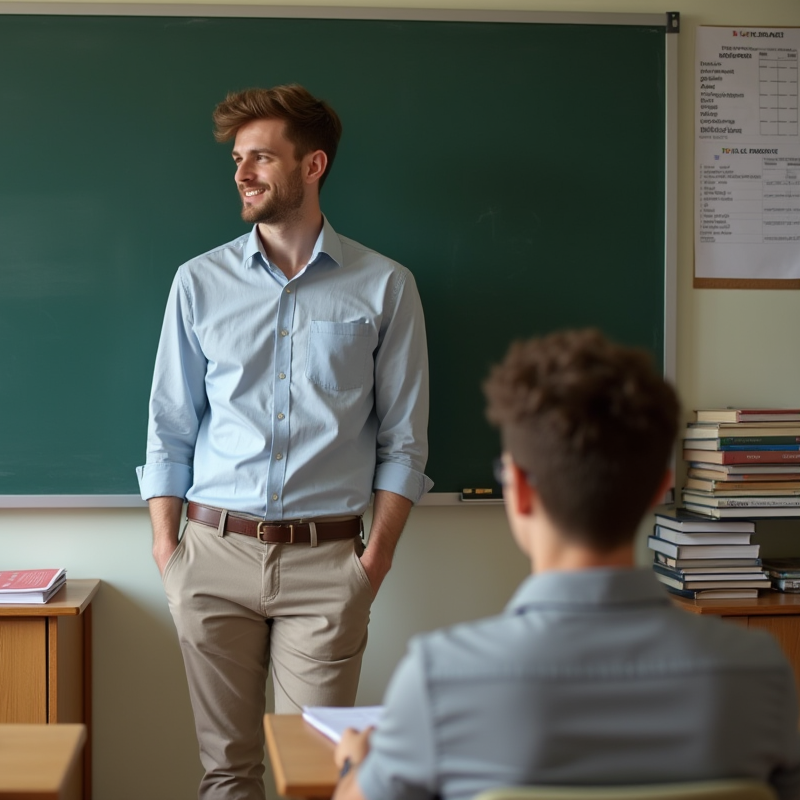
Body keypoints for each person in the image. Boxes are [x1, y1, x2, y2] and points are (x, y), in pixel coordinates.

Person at [332, 329, 800, 800]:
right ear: (659, 489)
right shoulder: (760, 674)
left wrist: (360, 762)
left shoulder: (440, 679)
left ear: (520, 487)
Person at [137, 84, 431, 800]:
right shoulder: (197, 283)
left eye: (261, 157)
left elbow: (405, 439)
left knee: (319, 779)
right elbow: (169, 426)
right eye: (238, 158)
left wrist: (373, 561)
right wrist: (168, 551)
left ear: (313, 165)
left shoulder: (385, 287)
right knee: (226, 775)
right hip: (211, 557)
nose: (241, 173)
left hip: (327, 566)